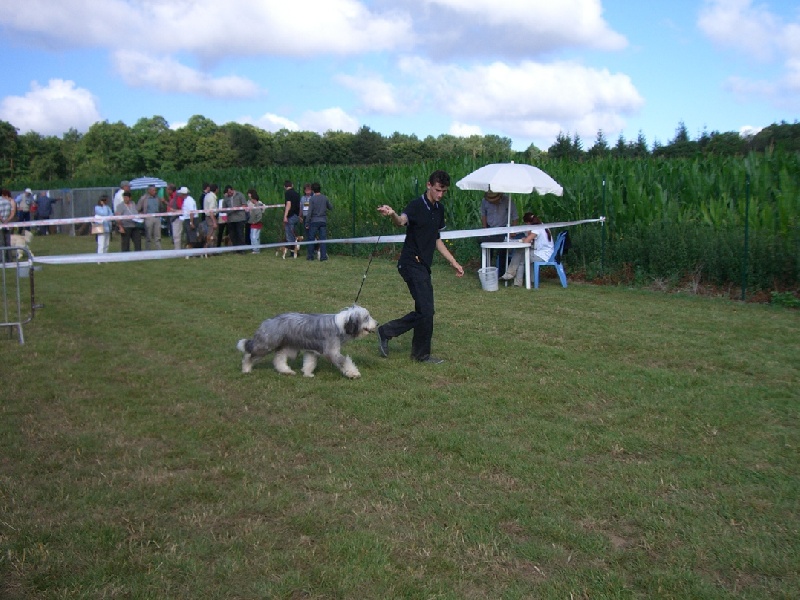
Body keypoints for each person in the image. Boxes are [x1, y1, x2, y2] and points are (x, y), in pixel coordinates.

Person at [376, 170, 464, 364]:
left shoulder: (439, 209)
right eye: (438, 190)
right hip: (409, 263)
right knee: (426, 311)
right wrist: (392, 214)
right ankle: (419, 353)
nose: (440, 194)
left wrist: (453, 262)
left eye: (444, 191)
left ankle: (389, 333)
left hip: (423, 265)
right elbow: (401, 222)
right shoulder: (416, 205)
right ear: (429, 185)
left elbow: (436, 240)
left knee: (424, 310)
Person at [500, 212, 555, 286]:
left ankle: (512, 277)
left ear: (528, 223)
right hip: (543, 252)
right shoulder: (542, 225)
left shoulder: (536, 229)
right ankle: (517, 279)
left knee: (520, 257)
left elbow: (526, 241)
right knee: (520, 252)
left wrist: (524, 238)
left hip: (542, 255)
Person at [480, 191, 518, 277]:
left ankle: (502, 274)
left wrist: (513, 230)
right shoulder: (484, 201)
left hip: (503, 228)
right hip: (490, 228)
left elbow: (515, 216)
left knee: (503, 253)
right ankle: (485, 272)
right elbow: (483, 215)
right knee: (486, 251)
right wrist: (485, 229)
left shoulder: (507, 201)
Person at [305, 182, 333, 261]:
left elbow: (309, 212)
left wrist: (307, 222)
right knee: (323, 239)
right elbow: (330, 207)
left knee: (311, 239)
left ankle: (310, 256)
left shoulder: (312, 199)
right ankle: (323, 256)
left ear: (313, 190)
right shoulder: (325, 198)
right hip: (323, 221)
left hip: (314, 221)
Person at [136, 185, 165, 250]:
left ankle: (159, 249)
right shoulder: (143, 198)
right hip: (148, 218)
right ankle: (148, 249)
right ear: (149, 191)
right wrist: (142, 214)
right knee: (148, 235)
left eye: (155, 190)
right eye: (153, 190)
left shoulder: (158, 198)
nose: (155, 192)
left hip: (157, 217)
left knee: (158, 235)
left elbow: (161, 207)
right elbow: (138, 208)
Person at [224, 185, 247, 250]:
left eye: (230, 192)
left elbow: (244, 204)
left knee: (240, 234)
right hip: (230, 219)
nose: (229, 193)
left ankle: (242, 249)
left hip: (240, 218)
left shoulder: (240, 195)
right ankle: (236, 248)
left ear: (232, 189)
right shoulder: (226, 198)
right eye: (228, 193)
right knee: (232, 235)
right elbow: (224, 208)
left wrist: (237, 208)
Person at [282, 180, 301, 246]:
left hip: (290, 216)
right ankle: (296, 248)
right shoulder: (297, 194)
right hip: (296, 215)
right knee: (294, 233)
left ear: (285, 186)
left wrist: (285, 216)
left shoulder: (288, 193)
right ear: (292, 185)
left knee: (289, 234)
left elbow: (288, 204)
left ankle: (293, 250)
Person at [201, 183, 218, 251]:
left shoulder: (207, 195)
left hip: (208, 217)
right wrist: (214, 222)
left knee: (210, 233)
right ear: (216, 189)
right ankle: (211, 250)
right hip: (211, 217)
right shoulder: (212, 198)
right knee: (212, 235)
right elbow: (211, 211)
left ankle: (208, 249)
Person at [1, 189, 17, 259]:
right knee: (8, 242)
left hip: (1, 223)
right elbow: (13, 213)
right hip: (8, 224)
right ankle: (9, 258)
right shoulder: (11, 201)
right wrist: (7, 220)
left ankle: (2, 259)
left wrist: (2, 220)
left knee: (1, 242)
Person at [167, 184, 184, 250]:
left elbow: (181, 207)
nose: (167, 191)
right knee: (175, 235)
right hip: (173, 218)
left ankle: (178, 250)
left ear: (171, 190)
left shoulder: (177, 197)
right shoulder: (171, 197)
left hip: (177, 218)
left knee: (177, 235)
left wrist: (174, 210)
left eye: (168, 189)